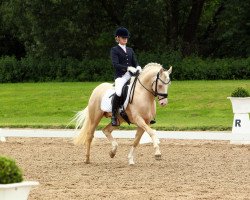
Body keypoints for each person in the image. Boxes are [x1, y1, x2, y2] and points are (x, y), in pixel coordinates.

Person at [110, 27, 141, 126]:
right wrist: (128, 68)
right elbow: (115, 64)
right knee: (119, 92)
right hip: (121, 77)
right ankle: (114, 115)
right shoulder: (114, 50)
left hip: (131, 76)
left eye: (126, 38)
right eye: (123, 37)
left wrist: (138, 67)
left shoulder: (130, 50)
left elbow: (135, 62)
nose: (125, 39)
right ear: (118, 38)